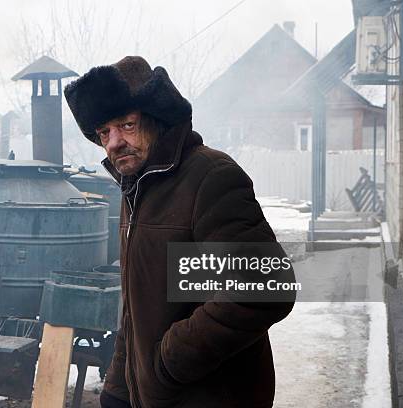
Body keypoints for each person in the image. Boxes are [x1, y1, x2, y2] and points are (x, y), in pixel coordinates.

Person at [64, 56, 295, 408]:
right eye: (103, 133)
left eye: (126, 125)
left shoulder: (210, 176)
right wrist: (118, 388)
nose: (113, 143)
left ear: (157, 120)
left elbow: (263, 287)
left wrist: (167, 362)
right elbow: (136, 308)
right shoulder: (136, 190)